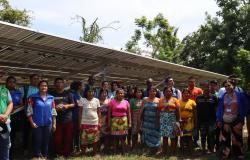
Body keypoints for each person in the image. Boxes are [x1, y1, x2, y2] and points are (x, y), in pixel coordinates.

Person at [217, 80, 249, 159]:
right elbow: (219, 109)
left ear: (233, 86)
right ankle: (226, 155)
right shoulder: (222, 97)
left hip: (236, 121)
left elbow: (247, 105)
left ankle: (238, 155)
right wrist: (219, 120)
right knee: (225, 139)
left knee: (237, 138)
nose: (227, 87)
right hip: (225, 122)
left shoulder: (240, 95)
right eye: (226, 86)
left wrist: (241, 117)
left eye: (229, 85)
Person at [27, 80, 57, 159]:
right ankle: (37, 156)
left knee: (46, 141)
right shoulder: (33, 97)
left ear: (47, 87)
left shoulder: (51, 98)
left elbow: (53, 111)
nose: (44, 87)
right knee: (38, 140)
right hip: (37, 123)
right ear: (38, 87)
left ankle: (45, 156)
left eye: (45, 86)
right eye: (42, 85)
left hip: (48, 123)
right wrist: (31, 122)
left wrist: (54, 123)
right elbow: (29, 111)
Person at [50, 78, 75, 157]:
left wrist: (66, 106)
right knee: (57, 139)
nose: (59, 84)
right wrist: (54, 107)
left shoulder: (68, 94)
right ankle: (58, 153)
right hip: (56, 119)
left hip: (67, 119)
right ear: (55, 84)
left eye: (61, 82)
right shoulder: (51, 94)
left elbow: (73, 104)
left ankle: (66, 153)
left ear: (63, 84)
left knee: (68, 138)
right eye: (57, 82)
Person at [20, 74, 40, 154]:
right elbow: (20, 102)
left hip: (37, 115)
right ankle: (25, 149)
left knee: (37, 133)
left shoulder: (41, 89)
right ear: (30, 80)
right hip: (27, 115)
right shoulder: (24, 89)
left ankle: (35, 149)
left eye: (37, 79)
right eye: (34, 79)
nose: (36, 80)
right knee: (26, 132)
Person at [157, 86, 180, 155]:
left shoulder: (175, 100)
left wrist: (178, 120)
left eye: (170, 91)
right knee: (164, 137)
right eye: (166, 91)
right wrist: (158, 120)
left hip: (172, 119)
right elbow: (158, 111)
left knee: (173, 136)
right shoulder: (160, 100)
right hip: (163, 120)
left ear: (172, 93)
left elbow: (178, 110)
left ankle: (172, 152)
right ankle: (164, 151)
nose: (168, 92)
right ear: (163, 92)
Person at [196, 82, 218, 154]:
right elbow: (197, 110)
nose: (206, 89)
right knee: (202, 135)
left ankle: (210, 149)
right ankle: (203, 149)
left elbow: (216, 109)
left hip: (211, 120)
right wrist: (197, 121)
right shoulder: (198, 98)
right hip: (202, 121)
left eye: (208, 87)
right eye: (205, 87)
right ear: (203, 88)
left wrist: (216, 120)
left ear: (210, 88)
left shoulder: (214, 97)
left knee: (211, 135)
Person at [78, 87, 100, 155]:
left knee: (95, 139)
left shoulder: (96, 100)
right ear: (86, 92)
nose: (91, 93)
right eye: (89, 91)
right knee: (84, 138)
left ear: (94, 93)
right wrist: (80, 123)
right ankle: (83, 153)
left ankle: (95, 153)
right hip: (84, 122)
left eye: (92, 91)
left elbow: (99, 112)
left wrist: (99, 122)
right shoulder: (82, 100)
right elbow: (80, 113)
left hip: (94, 122)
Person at [108, 88, 131, 154]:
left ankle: (123, 151)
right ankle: (115, 151)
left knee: (123, 137)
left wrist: (130, 123)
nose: (121, 94)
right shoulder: (112, 102)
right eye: (119, 93)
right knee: (115, 137)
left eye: (122, 93)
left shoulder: (126, 102)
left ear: (124, 94)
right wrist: (109, 122)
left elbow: (129, 113)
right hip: (115, 121)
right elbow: (109, 113)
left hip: (124, 121)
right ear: (116, 94)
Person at [5, 76, 23, 159]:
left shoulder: (18, 92)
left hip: (15, 116)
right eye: (10, 82)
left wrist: (14, 107)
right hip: (4, 116)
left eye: (13, 82)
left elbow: (21, 103)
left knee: (13, 135)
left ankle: (11, 154)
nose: (11, 83)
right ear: (6, 83)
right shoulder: (3, 91)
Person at [139, 87, 160, 154]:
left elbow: (159, 112)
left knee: (155, 135)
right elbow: (141, 110)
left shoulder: (159, 100)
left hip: (155, 121)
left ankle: (155, 150)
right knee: (146, 135)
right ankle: (146, 150)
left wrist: (158, 121)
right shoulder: (145, 99)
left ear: (156, 92)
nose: (152, 92)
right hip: (146, 121)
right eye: (151, 91)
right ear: (148, 92)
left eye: (154, 91)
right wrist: (140, 120)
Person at [187, 76, 203, 148]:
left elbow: (202, 99)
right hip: (189, 112)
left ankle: (196, 141)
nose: (191, 83)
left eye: (193, 82)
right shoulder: (186, 90)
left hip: (198, 111)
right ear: (188, 82)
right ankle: (188, 141)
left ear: (195, 82)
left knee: (196, 126)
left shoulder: (199, 90)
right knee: (189, 126)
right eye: (190, 82)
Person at [179, 89, 196, 155]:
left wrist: (195, 122)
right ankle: (182, 151)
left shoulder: (192, 102)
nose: (186, 94)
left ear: (190, 94)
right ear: (182, 94)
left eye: (188, 93)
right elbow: (177, 113)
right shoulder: (178, 102)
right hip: (181, 122)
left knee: (189, 137)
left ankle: (191, 151)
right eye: (185, 93)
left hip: (189, 122)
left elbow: (195, 113)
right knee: (182, 136)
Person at [0, 84, 13, 160]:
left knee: (5, 145)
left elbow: (10, 103)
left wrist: (5, 115)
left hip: (4, 122)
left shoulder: (5, 90)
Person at [71, 81, 84, 156]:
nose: (83, 87)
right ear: (79, 87)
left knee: (78, 133)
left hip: (79, 117)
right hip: (75, 117)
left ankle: (78, 148)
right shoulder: (74, 95)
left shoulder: (79, 94)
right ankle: (74, 149)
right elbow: (78, 105)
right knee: (75, 133)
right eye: (82, 85)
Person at [98, 88, 111, 153]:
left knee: (106, 135)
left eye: (105, 93)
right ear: (100, 94)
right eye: (103, 93)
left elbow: (110, 112)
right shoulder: (97, 101)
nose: (104, 94)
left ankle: (106, 149)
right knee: (99, 135)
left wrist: (109, 121)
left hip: (106, 119)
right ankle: (98, 149)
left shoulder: (109, 101)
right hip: (98, 119)